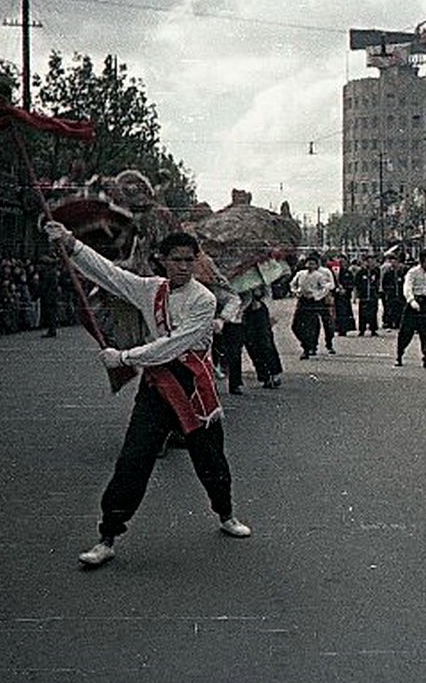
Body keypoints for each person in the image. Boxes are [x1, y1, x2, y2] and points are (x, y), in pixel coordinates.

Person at [43, 221, 251, 568]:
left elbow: (174, 346)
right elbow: (109, 274)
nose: (184, 266)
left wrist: (123, 358)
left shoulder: (205, 299)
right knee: (133, 459)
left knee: (210, 460)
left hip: (193, 388)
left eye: (189, 260)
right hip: (157, 387)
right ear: (162, 260)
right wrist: (71, 242)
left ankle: (226, 514)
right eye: (177, 260)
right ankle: (107, 536)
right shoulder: (151, 289)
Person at [395, 249, 426, 369]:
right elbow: (407, 288)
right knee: (406, 333)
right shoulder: (412, 272)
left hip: (424, 304)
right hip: (413, 304)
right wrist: (412, 301)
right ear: (424, 259)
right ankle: (399, 355)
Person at [289, 255, 334, 359]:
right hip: (302, 300)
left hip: (313, 302)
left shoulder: (319, 276)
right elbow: (292, 284)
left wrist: (316, 295)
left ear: (316, 265)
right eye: (309, 263)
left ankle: (309, 347)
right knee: (295, 326)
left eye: (313, 263)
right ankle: (304, 343)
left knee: (311, 325)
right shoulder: (300, 274)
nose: (310, 265)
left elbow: (326, 287)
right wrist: (296, 292)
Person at [240, 286, 284, 388]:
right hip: (244, 312)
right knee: (251, 344)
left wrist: (271, 313)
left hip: (260, 311)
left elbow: (268, 295)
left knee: (266, 343)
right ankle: (263, 375)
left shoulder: (260, 280)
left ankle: (274, 372)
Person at [353, 254, 381, 337]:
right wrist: (355, 296)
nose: (371, 263)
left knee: (373, 313)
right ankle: (362, 330)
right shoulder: (360, 273)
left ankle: (373, 329)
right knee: (362, 313)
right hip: (363, 295)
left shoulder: (376, 272)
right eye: (368, 262)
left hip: (373, 295)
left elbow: (378, 282)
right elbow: (356, 285)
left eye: (372, 261)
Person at [329, 255, 356, 337]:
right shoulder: (332, 272)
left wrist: (346, 289)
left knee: (345, 313)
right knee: (335, 313)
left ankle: (344, 329)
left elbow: (352, 283)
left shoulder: (348, 272)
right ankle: (336, 328)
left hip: (345, 296)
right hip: (336, 296)